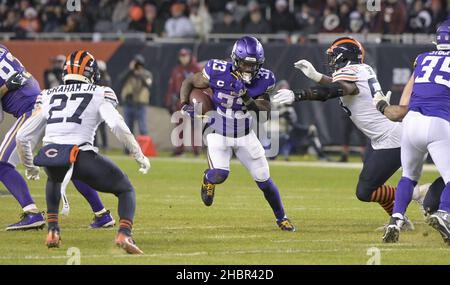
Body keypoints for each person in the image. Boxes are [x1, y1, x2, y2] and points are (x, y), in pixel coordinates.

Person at [272, 37, 426, 224]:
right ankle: (400, 220)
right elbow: (343, 86)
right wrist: (316, 76)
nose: (331, 61)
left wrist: (298, 95)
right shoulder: (362, 69)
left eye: (334, 56)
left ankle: (416, 193)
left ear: (344, 57)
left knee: (365, 191)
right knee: (373, 185)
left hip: (391, 139)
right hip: (382, 137)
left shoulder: (351, 73)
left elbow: (337, 89)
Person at [16, 50, 150, 253]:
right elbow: (117, 125)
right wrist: (138, 154)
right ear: (90, 72)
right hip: (82, 156)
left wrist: (30, 168)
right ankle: (124, 234)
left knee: (54, 178)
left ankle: (53, 229)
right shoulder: (100, 92)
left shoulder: (47, 94)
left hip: (51, 156)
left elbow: (22, 136)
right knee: (126, 190)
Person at [179, 36, 296, 232]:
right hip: (218, 130)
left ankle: (281, 218)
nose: (249, 69)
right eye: (245, 64)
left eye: (253, 65)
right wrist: (183, 105)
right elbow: (189, 81)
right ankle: (208, 179)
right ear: (235, 59)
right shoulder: (216, 71)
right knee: (220, 175)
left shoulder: (265, 79)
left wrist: (246, 97)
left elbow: (264, 114)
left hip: (244, 133)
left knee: (264, 180)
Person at [0, 45, 113, 230]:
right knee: (69, 165)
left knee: (2, 164)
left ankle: (32, 213)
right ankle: (101, 214)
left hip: (32, 112)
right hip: (45, 106)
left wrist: (4, 88)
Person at [375, 21, 450, 244]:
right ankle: (444, 213)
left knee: (408, 176)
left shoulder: (423, 59)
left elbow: (403, 105)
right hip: (438, 123)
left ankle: (396, 219)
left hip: (412, 121)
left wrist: (381, 105)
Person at [165, 48, 202, 156]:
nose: (183, 58)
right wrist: (168, 101)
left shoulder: (197, 68)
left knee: (195, 125)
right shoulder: (177, 69)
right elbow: (171, 86)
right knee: (179, 126)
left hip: (192, 101)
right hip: (180, 101)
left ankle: (197, 150)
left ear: (190, 56)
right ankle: (179, 149)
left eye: (185, 56)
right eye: (181, 56)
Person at [120, 54, 152, 136]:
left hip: (141, 105)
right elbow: (120, 80)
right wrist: (129, 70)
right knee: (128, 130)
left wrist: (140, 74)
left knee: (143, 129)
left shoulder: (147, 74)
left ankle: (144, 148)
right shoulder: (128, 74)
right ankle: (128, 149)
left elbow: (148, 84)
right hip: (128, 104)